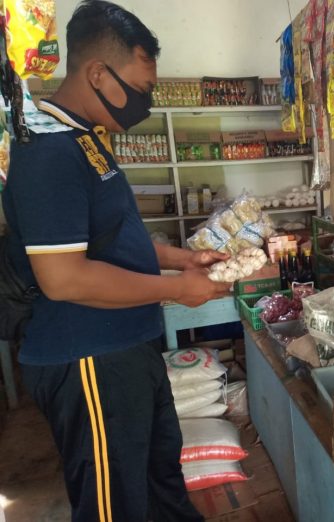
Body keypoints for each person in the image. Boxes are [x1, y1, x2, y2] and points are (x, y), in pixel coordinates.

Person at [1, 1, 232, 520]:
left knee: (160, 484)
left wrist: (182, 259)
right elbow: (63, 278)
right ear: (98, 73)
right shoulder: (48, 151)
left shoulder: (86, 138)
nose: (144, 102)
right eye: (142, 88)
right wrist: (176, 289)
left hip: (125, 346)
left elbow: (112, 239)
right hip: (88, 357)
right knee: (116, 504)